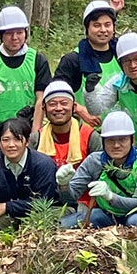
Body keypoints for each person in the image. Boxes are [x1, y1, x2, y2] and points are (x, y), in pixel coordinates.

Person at [0, 6, 51, 163]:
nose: (15, 37)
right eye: (9, 33)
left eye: (19, 32)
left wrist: (35, 133)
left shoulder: (37, 60)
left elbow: (41, 99)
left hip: (25, 127)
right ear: (1, 35)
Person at [69, 111, 137, 229]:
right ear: (103, 141)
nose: (116, 145)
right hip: (106, 214)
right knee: (66, 224)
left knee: (134, 223)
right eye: (110, 140)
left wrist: (111, 196)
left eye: (122, 139)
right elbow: (71, 196)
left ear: (132, 140)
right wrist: (64, 185)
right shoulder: (94, 161)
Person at [32, 81, 95, 217]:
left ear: (74, 107)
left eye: (64, 103)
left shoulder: (90, 136)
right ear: (44, 108)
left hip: (83, 203)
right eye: (52, 104)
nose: (59, 108)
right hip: (47, 202)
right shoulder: (36, 139)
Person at [0, 119, 58, 231]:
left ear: (27, 142)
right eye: (5, 140)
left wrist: (8, 206)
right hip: (15, 211)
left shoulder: (43, 164)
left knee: (45, 222)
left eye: (17, 139)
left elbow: (43, 203)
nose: (11, 145)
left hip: (47, 209)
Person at [55, 0, 121, 124]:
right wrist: (79, 109)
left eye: (107, 25)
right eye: (96, 25)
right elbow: (56, 94)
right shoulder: (73, 60)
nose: (103, 30)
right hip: (86, 133)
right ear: (87, 28)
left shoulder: (122, 55)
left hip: (122, 129)